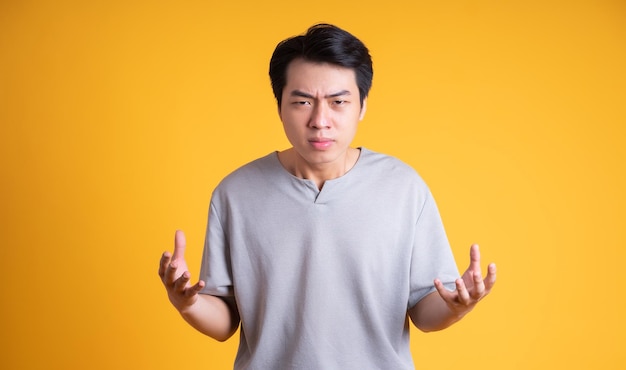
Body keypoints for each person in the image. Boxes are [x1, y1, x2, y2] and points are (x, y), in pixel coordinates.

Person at [159, 23, 496, 369]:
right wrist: (188, 304)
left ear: (362, 105)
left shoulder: (403, 187)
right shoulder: (235, 193)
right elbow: (225, 321)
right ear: (280, 106)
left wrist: (457, 306)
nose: (320, 121)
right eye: (302, 102)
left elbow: (426, 309)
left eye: (338, 102)